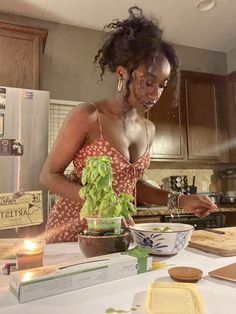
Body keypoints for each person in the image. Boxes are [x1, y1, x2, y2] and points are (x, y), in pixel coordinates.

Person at [40, 6, 217, 243]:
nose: (155, 93)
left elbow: (135, 185)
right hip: (74, 232)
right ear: (123, 74)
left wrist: (180, 200)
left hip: (119, 231)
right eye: (148, 81)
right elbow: (49, 176)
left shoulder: (148, 128)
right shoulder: (89, 116)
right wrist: (101, 203)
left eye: (162, 85)